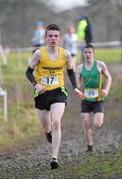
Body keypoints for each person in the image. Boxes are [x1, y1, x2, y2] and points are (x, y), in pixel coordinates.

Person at [26, 24, 83, 169]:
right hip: (41, 93)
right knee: (46, 127)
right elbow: (28, 72)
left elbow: (70, 71)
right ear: (46, 37)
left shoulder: (66, 54)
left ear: (60, 38)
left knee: (56, 121)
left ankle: (54, 157)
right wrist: (35, 84)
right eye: (50, 36)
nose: (53, 38)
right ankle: (47, 132)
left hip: (58, 91)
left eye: (56, 36)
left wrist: (75, 87)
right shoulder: (39, 54)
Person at [76, 43, 112, 152]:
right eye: (85, 52)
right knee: (86, 122)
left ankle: (100, 114)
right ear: (83, 53)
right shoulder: (80, 68)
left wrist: (106, 89)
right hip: (86, 98)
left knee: (97, 124)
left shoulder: (100, 65)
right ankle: (89, 145)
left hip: (98, 99)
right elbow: (77, 84)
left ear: (93, 53)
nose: (87, 54)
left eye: (89, 52)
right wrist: (77, 90)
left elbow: (109, 77)